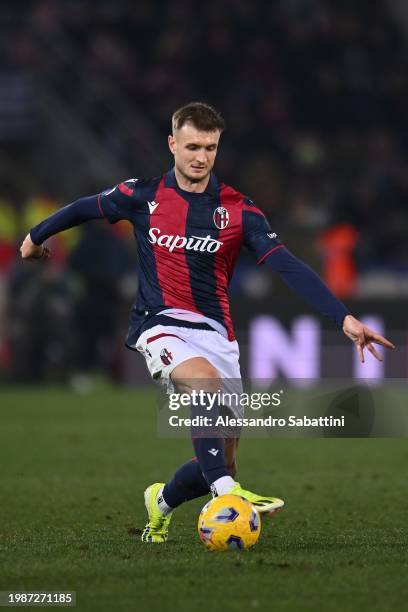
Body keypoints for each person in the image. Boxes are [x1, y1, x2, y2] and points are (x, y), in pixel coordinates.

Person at [20, 102, 395, 543]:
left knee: (218, 457)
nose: (201, 157)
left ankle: (161, 502)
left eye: (211, 148)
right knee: (204, 385)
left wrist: (343, 317)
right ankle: (227, 493)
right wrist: (33, 238)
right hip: (158, 323)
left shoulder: (239, 211)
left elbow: (287, 265)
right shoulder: (142, 195)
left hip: (217, 334)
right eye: (193, 146)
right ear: (172, 144)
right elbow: (84, 208)